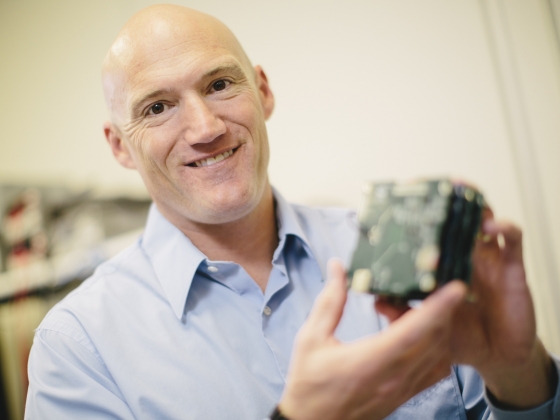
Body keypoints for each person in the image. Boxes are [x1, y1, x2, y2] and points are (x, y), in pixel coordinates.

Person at [25, 4, 559, 419]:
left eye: (219, 84)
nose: (206, 128)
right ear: (119, 145)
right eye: (157, 107)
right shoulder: (77, 350)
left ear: (262, 91)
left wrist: (516, 376)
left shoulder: (392, 253)